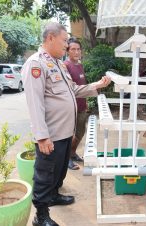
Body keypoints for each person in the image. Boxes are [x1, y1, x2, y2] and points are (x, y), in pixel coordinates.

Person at [22, 22, 111, 226]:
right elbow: (34, 104)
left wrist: (97, 85)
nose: (66, 45)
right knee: (45, 175)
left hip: (64, 132)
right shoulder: (36, 64)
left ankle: (54, 195)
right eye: (64, 41)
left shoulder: (58, 64)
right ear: (50, 38)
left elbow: (73, 90)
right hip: (50, 135)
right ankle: (41, 216)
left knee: (60, 170)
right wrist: (42, 136)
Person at [64, 37, 87, 170]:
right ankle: (66, 159)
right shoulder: (65, 66)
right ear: (68, 51)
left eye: (78, 49)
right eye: (73, 49)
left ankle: (72, 153)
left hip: (82, 106)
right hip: (71, 107)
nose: (76, 52)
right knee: (69, 135)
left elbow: (82, 86)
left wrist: (85, 103)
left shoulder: (80, 65)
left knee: (80, 133)